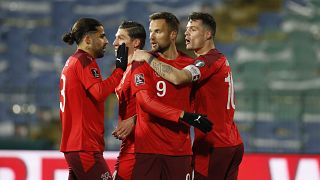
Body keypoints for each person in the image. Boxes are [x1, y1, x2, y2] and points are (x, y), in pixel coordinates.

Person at [133, 12, 244, 180]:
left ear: (208, 34)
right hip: (232, 141)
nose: (186, 33)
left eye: (192, 29)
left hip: (213, 143)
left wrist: (147, 57)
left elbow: (178, 78)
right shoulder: (219, 59)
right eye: (186, 30)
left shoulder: (207, 61)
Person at [130, 12, 212, 180]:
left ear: (173, 34)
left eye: (157, 32)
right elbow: (146, 103)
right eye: (150, 31)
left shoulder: (189, 66)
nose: (151, 37)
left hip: (180, 152)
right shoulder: (142, 62)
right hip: (148, 151)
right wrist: (183, 115)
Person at [59, 17, 128, 180]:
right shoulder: (84, 60)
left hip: (78, 145)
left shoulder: (73, 61)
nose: (106, 41)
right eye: (102, 36)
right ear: (88, 39)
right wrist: (119, 71)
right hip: (84, 146)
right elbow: (99, 92)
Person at [111, 20, 147, 180]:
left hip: (141, 147)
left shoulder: (143, 67)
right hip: (128, 144)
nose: (114, 43)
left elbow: (160, 102)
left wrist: (134, 119)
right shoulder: (124, 68)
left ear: (136, 42)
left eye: (120, 38)